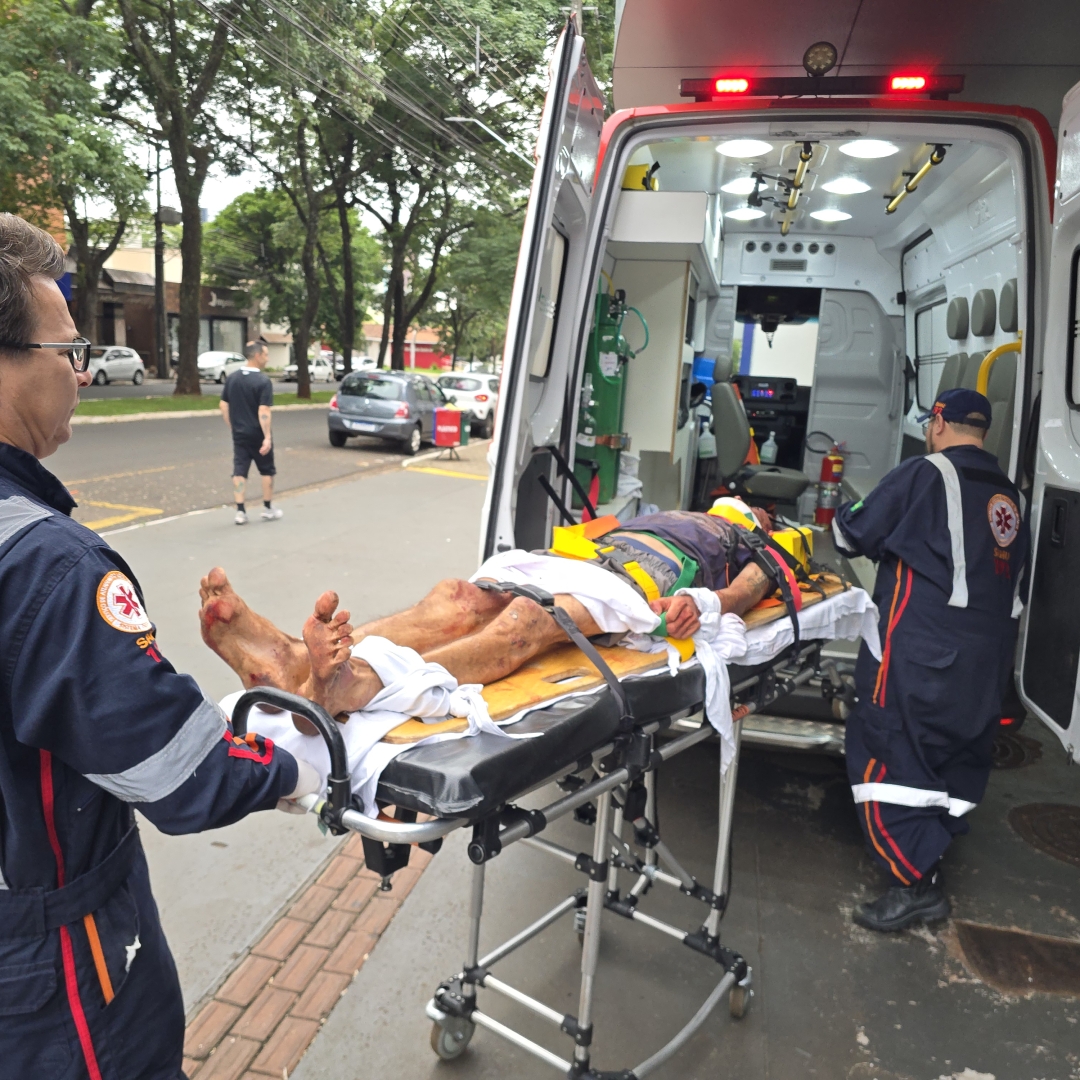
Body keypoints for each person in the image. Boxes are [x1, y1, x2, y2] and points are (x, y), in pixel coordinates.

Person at [0, 214, 318, 1079]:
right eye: (69, 352)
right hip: (47, 973)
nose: (80, 372)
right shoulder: (48, 566)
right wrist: (301, 765)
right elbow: (177, 773)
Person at [197, 505, 779, 719]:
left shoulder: (751, 539)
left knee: (529, 622)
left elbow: (754, 586)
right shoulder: (670, 513)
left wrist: (705, 604)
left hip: (637, 586)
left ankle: (355, 686)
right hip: (584, 556)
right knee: (458, 597)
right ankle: (291, 657)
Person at [832, 388, 1029, 932]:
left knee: (887, 749)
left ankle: (915, 883)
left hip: (921, 654)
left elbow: (851, 535)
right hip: (985, 663)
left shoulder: (926, 473)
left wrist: (844, 512)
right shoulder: (1011, 495)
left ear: (938, 421)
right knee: (953, 757)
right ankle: (936, 847)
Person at [220, 339, 282, 524]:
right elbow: (263, 410)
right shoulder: (263, 381)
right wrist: (267, 437)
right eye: (266, 355)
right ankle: (267, 508)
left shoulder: (232, 379)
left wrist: (232, 426)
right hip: (258, 434)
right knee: (266, 470)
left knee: (239, 470)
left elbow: (224, 405)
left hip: (239, 433)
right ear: (257, 356)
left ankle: (240, 511)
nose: (268, 359)